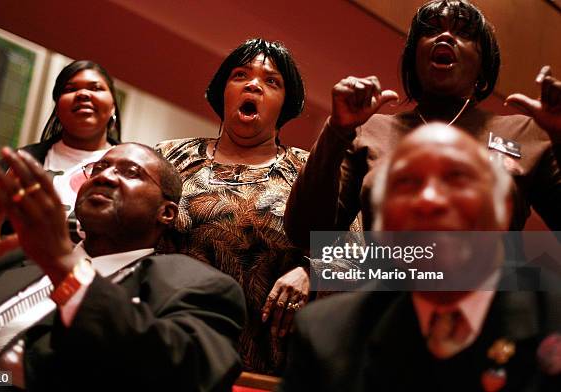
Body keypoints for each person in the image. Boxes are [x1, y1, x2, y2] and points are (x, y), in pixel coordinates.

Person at [280, 124, 561, 392]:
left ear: (502, 209)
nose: (428, 199)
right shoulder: (327, 334)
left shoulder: (553, 316)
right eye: (407, 183)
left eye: (456, 178)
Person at [0, 143, 245, 391]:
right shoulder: (16, 258)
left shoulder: (194, 285)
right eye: (99, 169)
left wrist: (67, 269)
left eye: (131, 172)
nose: (104, 178)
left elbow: (186, 376)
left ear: (166, 213)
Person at [284, 0, 561, 248]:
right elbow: (306, 235)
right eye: (431, 29)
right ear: (414, 58)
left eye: (464, 32)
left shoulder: (524, 134)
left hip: (492, 300)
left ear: (483, 65)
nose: (445, 36)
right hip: (388, 299)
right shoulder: (369, 131)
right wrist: (337, 130)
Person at [156, 38, 314, 374]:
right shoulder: (169, 157)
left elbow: (365, 253)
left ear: (285, 103)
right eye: (240, 75)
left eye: (272, 81)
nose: (254, 84)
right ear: (223, 91)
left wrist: (311, 272)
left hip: (266, 366)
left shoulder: (309, 171)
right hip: (166, 354)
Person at [1, 60, 122, 241]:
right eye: (70, 89)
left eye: (95, 88)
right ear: (57, 107)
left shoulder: (136, 168)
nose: (82, 94)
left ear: (113, 106)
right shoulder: (19, 163)